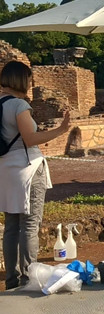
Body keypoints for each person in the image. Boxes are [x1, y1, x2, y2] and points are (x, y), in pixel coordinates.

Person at [1, 61, 71, 289]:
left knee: (12, 225)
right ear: (21, 80)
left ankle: (12, 279)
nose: (31, 84)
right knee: (30, 225)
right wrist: (60, 130)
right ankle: (28, 278)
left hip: (5, 170)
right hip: (28, 168)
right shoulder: (19, 105)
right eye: (29, 79)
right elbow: (30, 138)